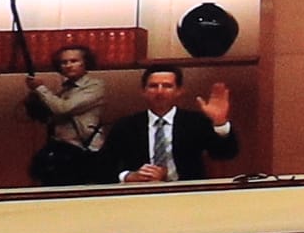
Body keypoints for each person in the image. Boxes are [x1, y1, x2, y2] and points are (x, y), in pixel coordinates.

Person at [98, 63, 237, 183]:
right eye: (153, 86)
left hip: (187, 194)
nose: (160, 92)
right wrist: (128, 176)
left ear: (179, 91)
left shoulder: (195, 122)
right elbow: (103, 167)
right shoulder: (126, 126)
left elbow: (225, 154)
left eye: (167, 86)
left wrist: (220, 122)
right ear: (143, 91)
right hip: (140, 195)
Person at [27, 43, 111, 186]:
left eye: (74, 61)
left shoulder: (94, 86)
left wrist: (41, 89)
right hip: (62, 150)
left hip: (84, 151)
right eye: (64, 62)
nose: (68, 65)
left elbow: (64, 108)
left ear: (85, 63)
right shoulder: (64, 89)